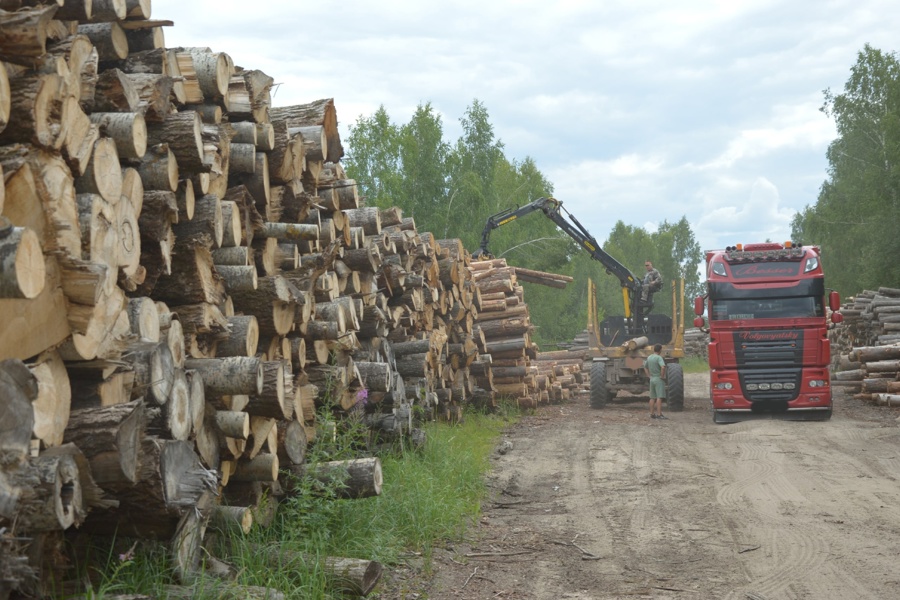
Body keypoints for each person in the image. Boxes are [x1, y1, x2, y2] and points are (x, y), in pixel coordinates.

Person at [644, 343, 667, 419]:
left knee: (652, 397)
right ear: (660, 350)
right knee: (659, 397)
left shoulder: (649, 357)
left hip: (652, 379)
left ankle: (651, 413)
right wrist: (662, 376)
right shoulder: (659, 358)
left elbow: (645, 367)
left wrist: (648, 376)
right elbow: (663, 367)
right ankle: (659, 414)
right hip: (658, 379)